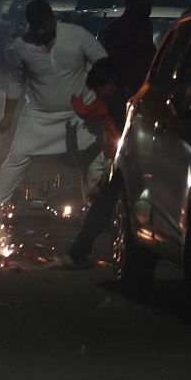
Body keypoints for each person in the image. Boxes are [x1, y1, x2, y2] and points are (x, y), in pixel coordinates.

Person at [0, 0, 107, 230]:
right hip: (39, 116)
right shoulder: (21, 46)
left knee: (94, 161)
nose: (40, 32)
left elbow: (103, 63)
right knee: (16, 160)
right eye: (36, 27)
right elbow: (16, 80)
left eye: (45, 26)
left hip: (80, 114)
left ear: (54, 20)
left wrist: (100, 99)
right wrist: (8, 115)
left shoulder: (78, 36)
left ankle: (95, 215)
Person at [67, 58, 124, 267]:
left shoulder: (103, 106)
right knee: (100, 204)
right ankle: (80, 250)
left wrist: (75, 97)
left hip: (109, 156)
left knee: (100, 203)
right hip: (107, 157)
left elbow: (84, 112)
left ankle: (81, 249)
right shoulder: (104, 105)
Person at [100, 0, 156, 127]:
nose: (148, 10)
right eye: (145, 5)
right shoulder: (119, 31)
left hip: (143, 94)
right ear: (133, 4)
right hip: (126, 96)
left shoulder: (145, 27)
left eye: (149, 5)